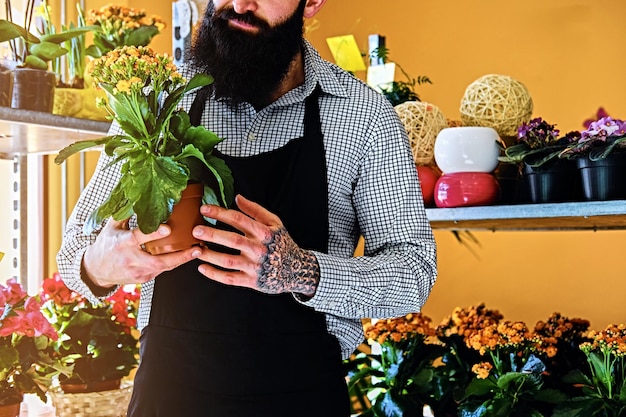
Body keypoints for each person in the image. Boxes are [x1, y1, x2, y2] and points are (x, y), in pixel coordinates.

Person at [56, 0, 437, 415]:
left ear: (311, 3)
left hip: (301, 398)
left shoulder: (363, 116)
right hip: (170, 397)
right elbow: (75, 251)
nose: (239, 4)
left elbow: (414, 271)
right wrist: (104, 262)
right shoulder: (159, 100)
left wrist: (302, 271)